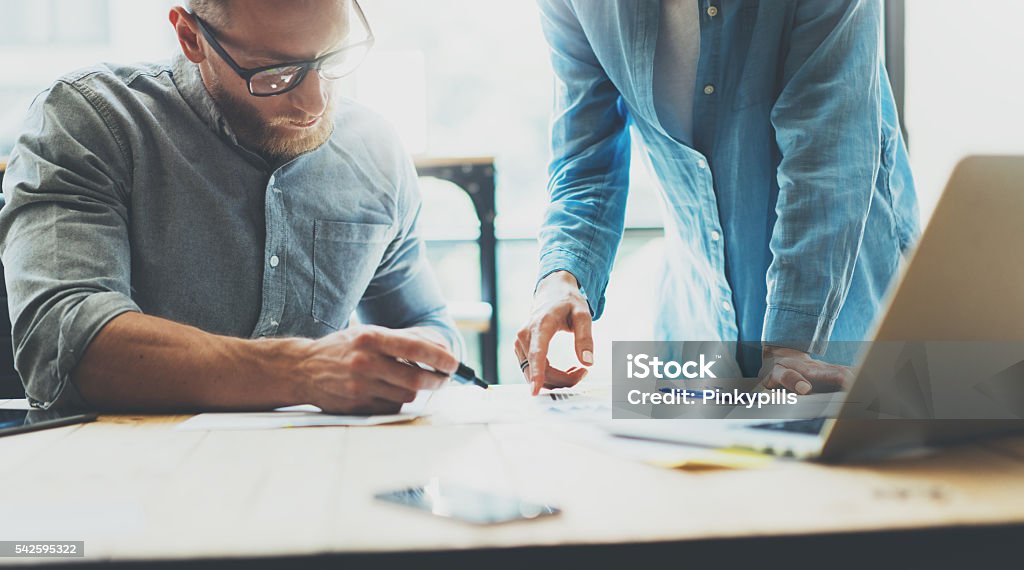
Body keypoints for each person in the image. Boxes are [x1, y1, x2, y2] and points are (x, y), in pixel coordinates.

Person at [0, 0, 464, 413]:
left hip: (323, 482)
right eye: (275, 73)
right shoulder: (94, 121)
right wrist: (303, 371)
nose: (314, 104)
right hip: (128, 488)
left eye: (333, 59)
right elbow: (62, 341)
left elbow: (423, 321)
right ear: (191, 38)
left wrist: (417, 360)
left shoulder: (375, 149)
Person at [517, 0, 918, 395]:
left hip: (839, 314)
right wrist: (562, 278)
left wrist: (792, 343)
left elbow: (826, 156)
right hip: (697, 317)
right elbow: (587, 161)